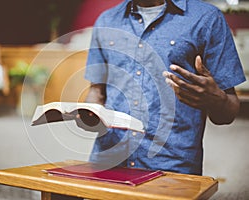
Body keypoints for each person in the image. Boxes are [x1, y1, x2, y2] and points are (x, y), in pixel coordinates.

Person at [84, 0, 246, 176]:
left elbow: (229, 111)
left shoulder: (207, 18)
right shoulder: (106, 20)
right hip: (108, 160)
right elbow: (97, 91)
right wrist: (88, 113)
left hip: (171, 166)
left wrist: (216, 100)